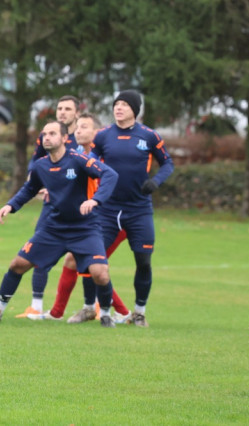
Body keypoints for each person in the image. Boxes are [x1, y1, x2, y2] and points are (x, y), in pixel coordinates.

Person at [0, 120, 120, 328]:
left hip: (85, 228)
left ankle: (104, 314)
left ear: (65, 138)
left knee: (100, 273)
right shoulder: (41, 165)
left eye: (52, 133)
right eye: (44, 134)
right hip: (54, 228)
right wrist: (10, 205)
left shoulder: (78, 160)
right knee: (17, 265)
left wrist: (95, 200)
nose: (46, 137)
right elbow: (29, 189)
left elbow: (110, 174)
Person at [74, 89, 174, 328]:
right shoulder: (103, 136)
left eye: (124, 105)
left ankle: (139, 313)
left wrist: (155, 182)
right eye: (116, 104)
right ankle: (94, 309)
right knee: (93, 260)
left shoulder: (149, 136)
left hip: (139, 210)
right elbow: (92, 162)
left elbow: (168, 163)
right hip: (107, 210)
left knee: (143, 261)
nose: (118, 108)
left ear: (134, 110)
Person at [41, 113, 131, 322]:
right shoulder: (79, 154)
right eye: (77, 127)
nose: (77, 131)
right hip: (92, 219)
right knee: (74, 260)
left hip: (112, 218)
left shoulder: (105, 158)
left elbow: (113, 182)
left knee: (92, 264)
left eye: (83, 127)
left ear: (97, 133)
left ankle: (122, 313)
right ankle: (75, 310)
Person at [16, 95, 82, 319]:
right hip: (51, 207)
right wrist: (36, 184)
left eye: (68, 109)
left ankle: (95, 306)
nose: (62, 112)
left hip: (80, 210)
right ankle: (36, 305)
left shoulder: (83, 138)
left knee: (87, 258)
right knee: (38, 251)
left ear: (77, 113)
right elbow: (36, 163)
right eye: (60, 108)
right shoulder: (47, 137)